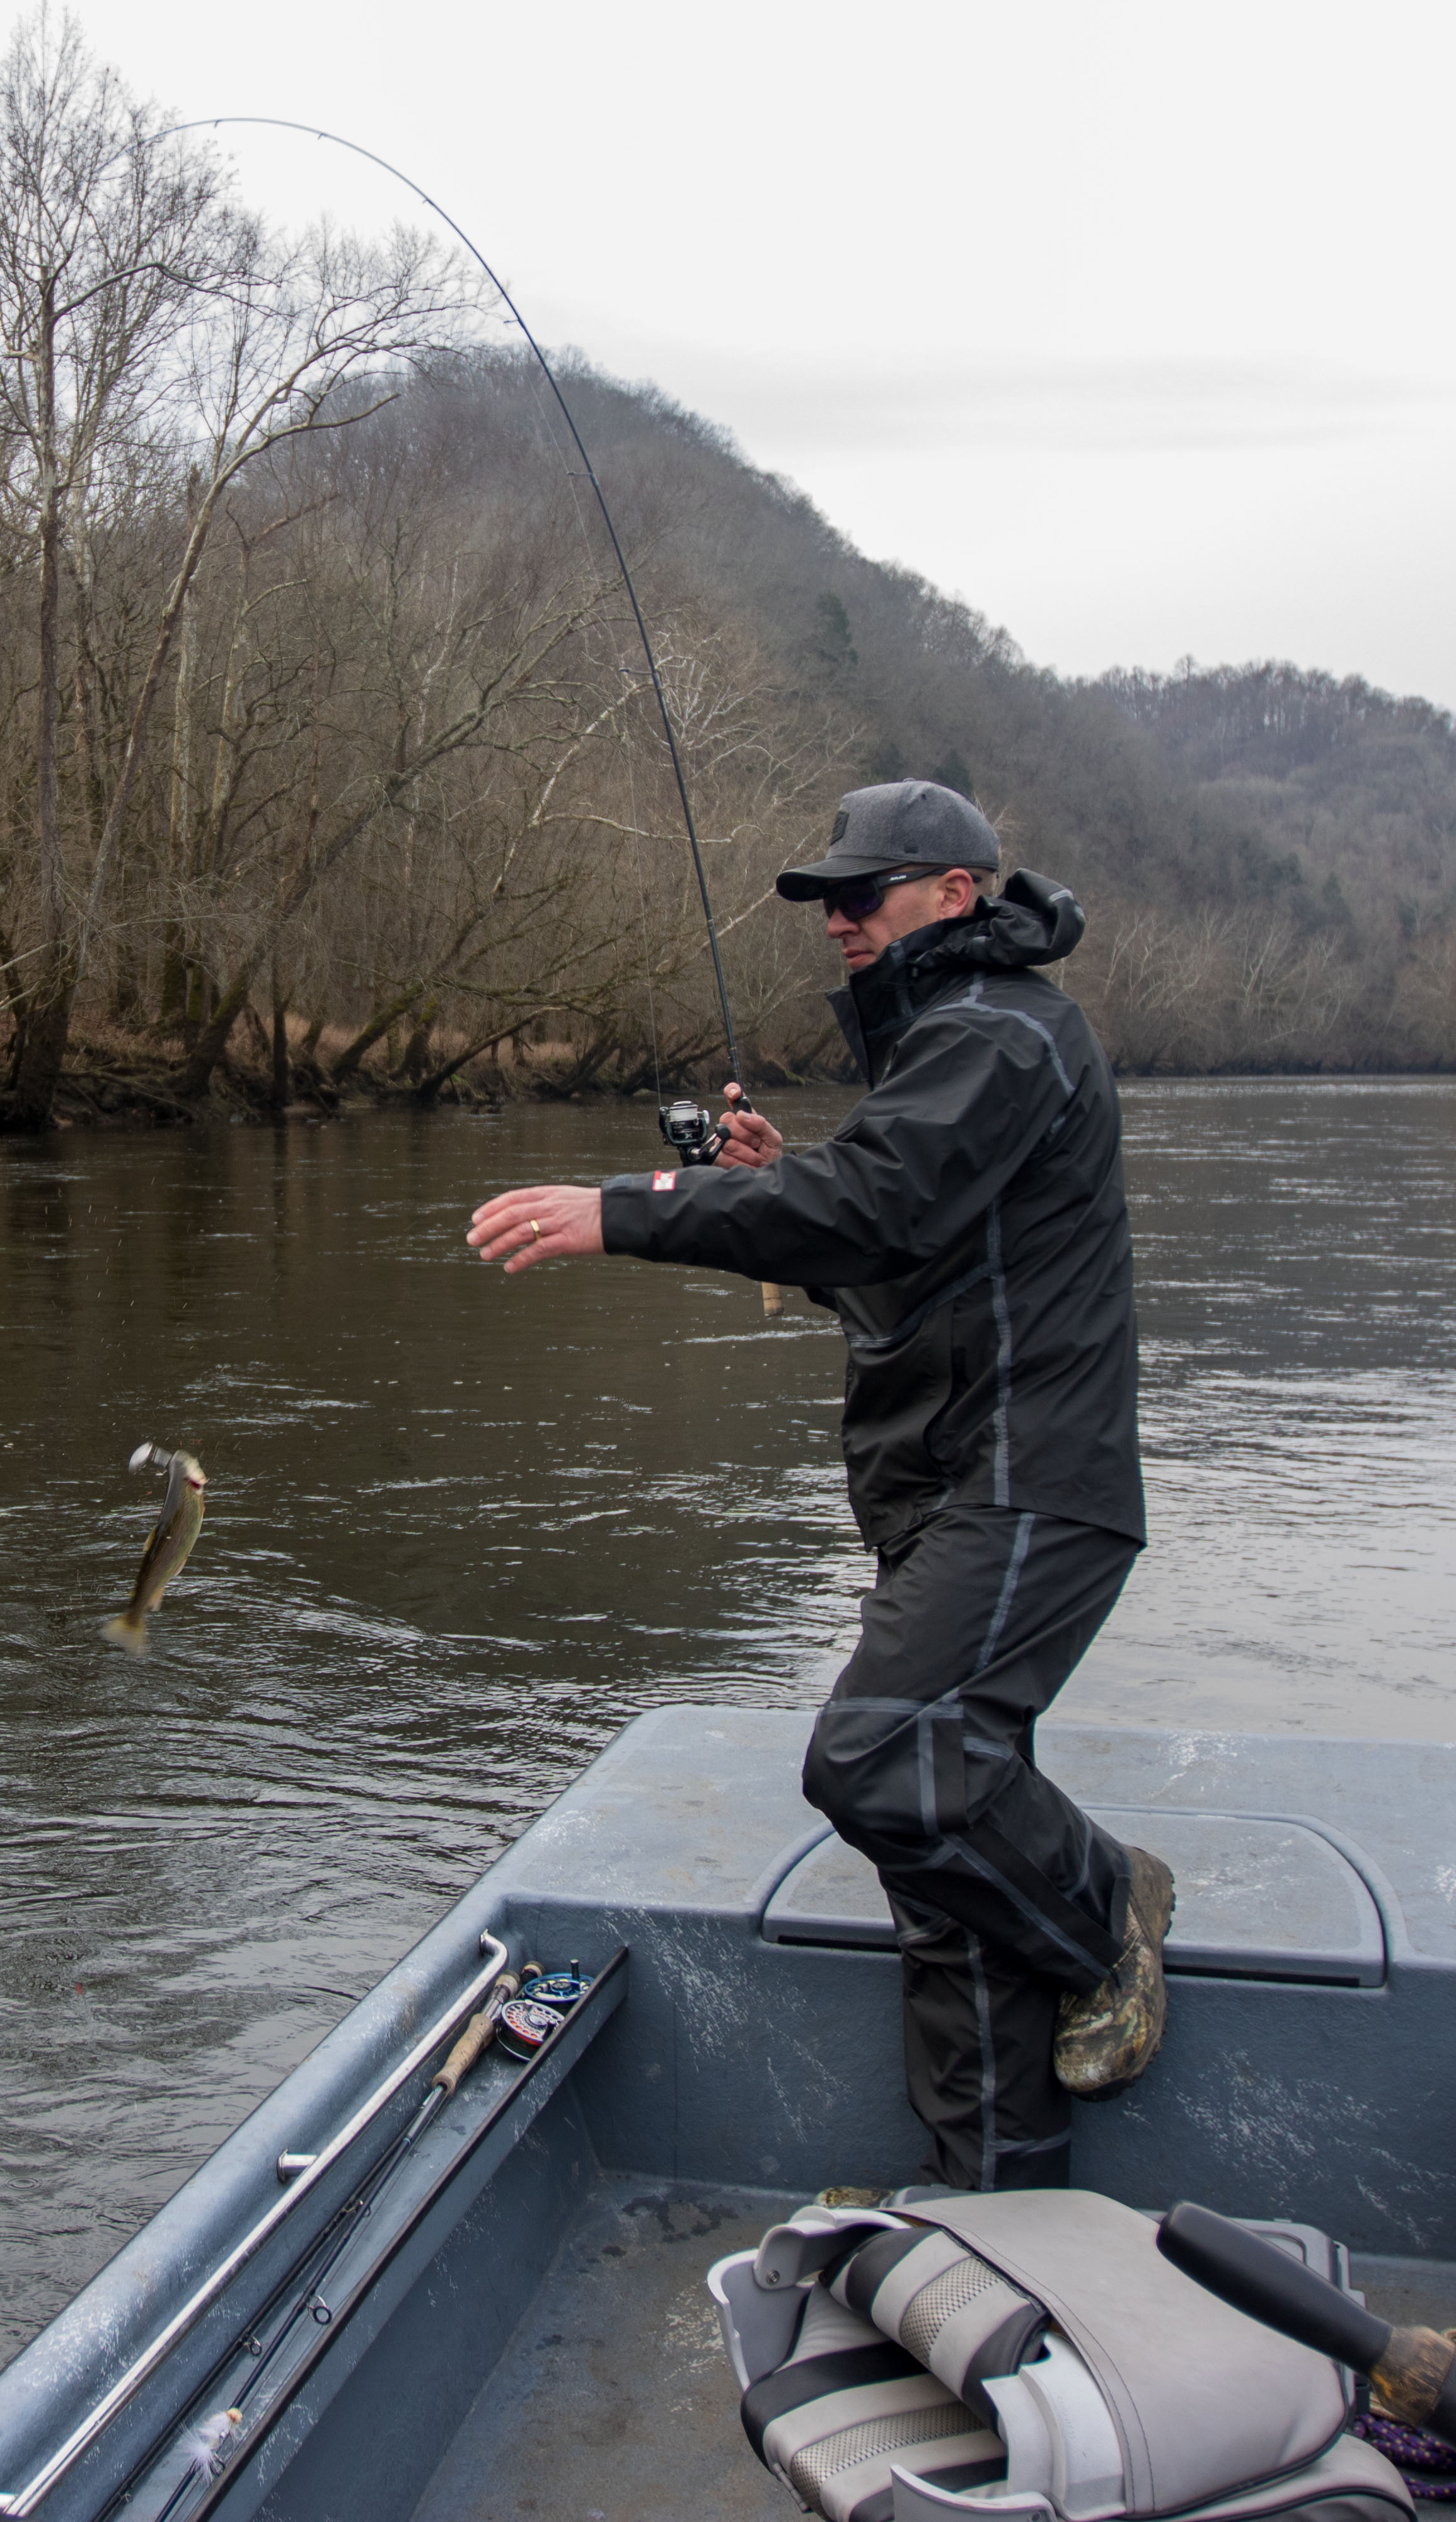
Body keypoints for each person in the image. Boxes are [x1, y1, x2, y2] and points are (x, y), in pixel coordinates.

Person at [463, 777, 1166, 2192]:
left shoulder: (1000, 1033)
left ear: (957, 894)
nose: (839, 918)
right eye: (828, 899)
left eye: (868, 891)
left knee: (881, 1752)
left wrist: (633, 1207)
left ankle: (1108, 1905)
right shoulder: (951, 1051)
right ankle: (992, 2204)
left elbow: (877, 1206)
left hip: (1030, 1485)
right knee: (942, 1879)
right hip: (953, 1493)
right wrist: (788, 1181)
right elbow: (902, 1240)